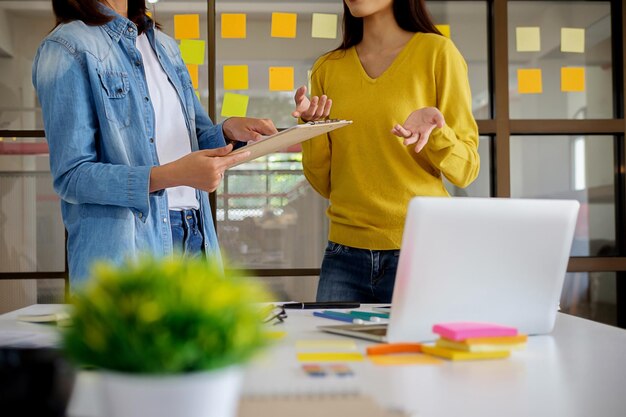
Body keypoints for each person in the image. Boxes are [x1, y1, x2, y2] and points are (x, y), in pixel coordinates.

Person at [32, 0, 278, 288]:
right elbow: (72, 176)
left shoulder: (165, 46)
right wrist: (171, 176)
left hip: (195, 233)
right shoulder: (66, 46)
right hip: (126, 252)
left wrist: (226, 132)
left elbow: (190, 139)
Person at [292, 0, 480, 303]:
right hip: (343, 254)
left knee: (417, 352)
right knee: (334, 352)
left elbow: (467, 170)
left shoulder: (437, 53)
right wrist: (311, 129)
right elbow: (324, 184)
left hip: (422, 251)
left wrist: (436, 134)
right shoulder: (328, 68)